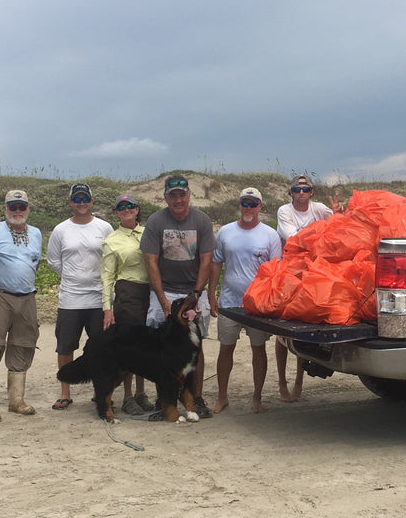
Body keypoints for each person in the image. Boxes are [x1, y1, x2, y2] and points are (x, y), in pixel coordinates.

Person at [140, 174, 216, 417]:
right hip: (165, 289)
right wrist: (162, 300)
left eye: (182, 194)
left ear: (189, 195)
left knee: (197, 343)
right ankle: (164, 397)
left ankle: (197, 395)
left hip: (193, 290)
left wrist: (196, 294)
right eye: (173, 196)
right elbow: (151, 262)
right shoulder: (156, 221)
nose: (178, 200)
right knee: (162, 345)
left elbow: (206, 260)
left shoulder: (201, 221)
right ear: (166, 197)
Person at [208, 187, 282, 414]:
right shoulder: (225, 232)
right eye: (244, 203)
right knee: (226, 349)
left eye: (253, 203)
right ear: (239, 205)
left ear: (260, 206)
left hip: (258, 305)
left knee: (258, 350)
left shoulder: (270, 235)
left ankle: (257, 398)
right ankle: (222, 397)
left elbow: (276, 271)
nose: (248, 208)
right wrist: (212, 293)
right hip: (230, 301)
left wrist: (272, 303)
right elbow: (216, 263)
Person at [0, 189, 42, 420]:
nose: (17, 211)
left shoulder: (36, 233)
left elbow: (35, 262)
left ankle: (16, 400)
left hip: (27, 297)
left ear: (28, 209)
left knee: (23, 344)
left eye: (21, 207)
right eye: (12, 207)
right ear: (5, 209)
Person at [274, 174, 343, 402]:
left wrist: (338, 214)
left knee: (303, 327)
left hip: (313, 272)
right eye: (297, 189)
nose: (301, 193)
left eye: (305, 189)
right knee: (282, 331)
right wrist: (321, 234)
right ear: (291, 192)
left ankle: (298, 382)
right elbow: (292, 238)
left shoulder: (320, 208)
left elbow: (338, 225)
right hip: (290, 271)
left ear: (311, 192)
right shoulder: (285, 211)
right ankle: (282, 381)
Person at [47, 183, 113, 410]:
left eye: (85, 199)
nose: (81, 203)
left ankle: (100, 391)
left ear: (92, 201)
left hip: (98, 298)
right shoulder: (60, 230)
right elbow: (53, 261)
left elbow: (111, 257)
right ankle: (65, 392)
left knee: (101, 347)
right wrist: (74, 276)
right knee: (66, 346)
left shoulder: (104, 227)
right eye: (77, 199)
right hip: (70, 299)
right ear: (70, 203)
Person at [100, 194, 151, 412]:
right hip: (127, 292)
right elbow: (107, 277)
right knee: (131, 344)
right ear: (116, 213)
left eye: (131, 206)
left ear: (137, 209)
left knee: (147, 344)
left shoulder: (150, 232)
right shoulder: (112, 240)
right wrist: (107, 308)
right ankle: (128, 396)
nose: (127, 209)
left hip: (152, 291)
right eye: (122, 207)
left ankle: (142, 392)